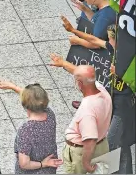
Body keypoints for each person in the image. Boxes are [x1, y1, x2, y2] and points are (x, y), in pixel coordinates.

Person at [57, 24, 135, 174]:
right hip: (113, 100)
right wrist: (74, 31)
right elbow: (93, 40)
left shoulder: (129, 58)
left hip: (123, 105)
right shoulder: (113, 49)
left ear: (117, 40)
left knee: (112, 144)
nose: (108, 43)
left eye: (110, 39)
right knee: (120, 143)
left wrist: (120, 73)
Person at [48, 63, 111, 174]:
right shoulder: (103, 91)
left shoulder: (87, 110)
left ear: (80, 84)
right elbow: (86, 76)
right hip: (102, 145)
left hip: (82, 152)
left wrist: (86, 163)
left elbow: (90, 140)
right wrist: (63, 63)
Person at [0, 80, 62, 174]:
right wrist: (14, 87)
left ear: (24, 105)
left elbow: (24, 163)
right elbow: (36, 99)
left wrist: (43, 164)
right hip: (50, 169)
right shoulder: (50, 113)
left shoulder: (26, 130)